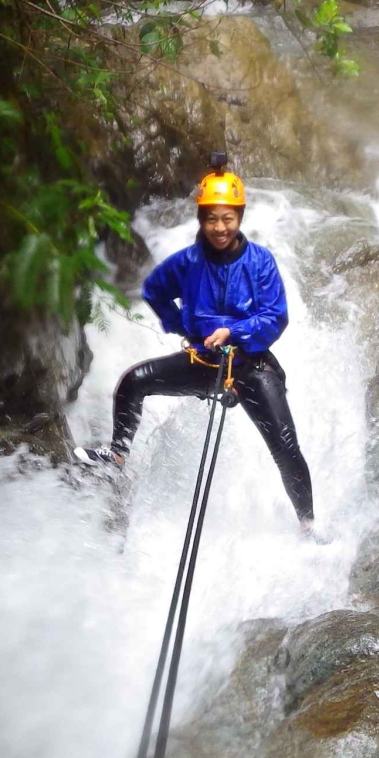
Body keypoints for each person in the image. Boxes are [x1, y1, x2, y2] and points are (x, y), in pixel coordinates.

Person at [75, 164, 315, 530]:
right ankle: (118, 457)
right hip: (202, 363)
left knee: (285, 446)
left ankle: (308, 526)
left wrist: (233, 331)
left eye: (228, 219)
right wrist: (182, 327)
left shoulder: (259, 262)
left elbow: (275, 316)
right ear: (201, 219)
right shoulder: (187, 262)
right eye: (212, 219)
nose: (220, 228)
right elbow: (153, 290)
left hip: (249, 366)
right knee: (133, 382)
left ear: (239, 218)